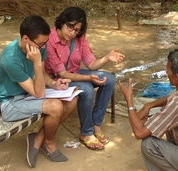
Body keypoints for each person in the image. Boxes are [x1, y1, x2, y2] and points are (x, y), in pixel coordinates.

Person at [0, 15, 77, 168]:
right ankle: (49, 142)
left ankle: (38, 138)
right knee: (56, 106)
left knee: (72, 99)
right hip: (11, 103)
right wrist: (37, 63)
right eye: (40, 44)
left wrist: (54, 84)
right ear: (26, 38)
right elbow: (39, 93)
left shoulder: (37, 47)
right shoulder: (11, 58)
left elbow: (42, 77)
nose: (44, 47)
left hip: (28, 94)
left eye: (45, 43)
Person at [44, 7, 125, 150]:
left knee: (109, 79)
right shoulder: (50, 40)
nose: (72, 33)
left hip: (74, 73)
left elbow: (91, 64)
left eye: (76, 30)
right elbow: (62, 73)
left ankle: (96, 124)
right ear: (62, 22)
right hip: (56, 80)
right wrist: (88, 78)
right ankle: (86, 133)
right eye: (70, 27)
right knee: (87, 89)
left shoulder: (79, 38)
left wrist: (107, 57)